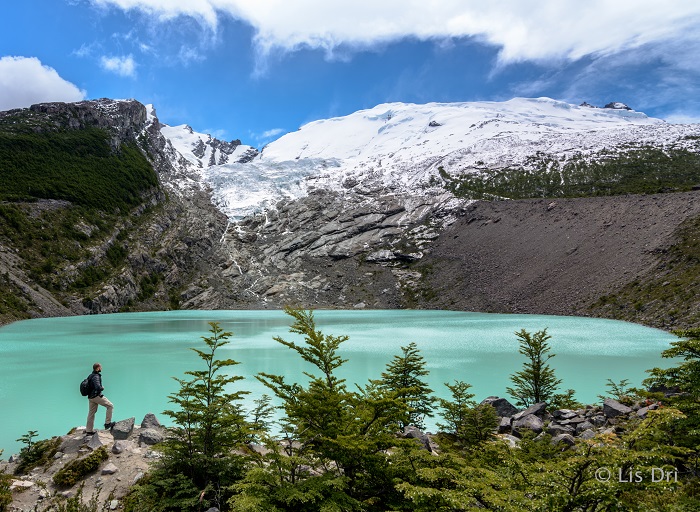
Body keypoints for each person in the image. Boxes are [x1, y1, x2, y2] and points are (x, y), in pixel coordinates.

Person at [85, 362, 115, 435]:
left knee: (91, 413)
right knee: (110, 406)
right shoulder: (96, 376)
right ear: (98, 368)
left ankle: (89, 431)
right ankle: (107, 423)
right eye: (100, 367)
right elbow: (98, 387)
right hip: (96, 396)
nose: (101, 368)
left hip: (90, 397)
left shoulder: (90, 375)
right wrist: (102, 388)